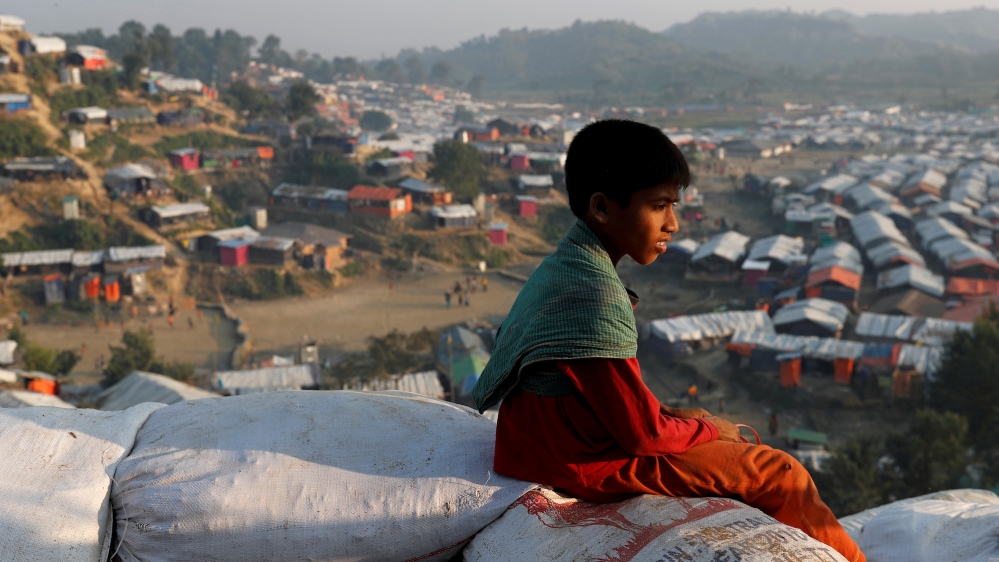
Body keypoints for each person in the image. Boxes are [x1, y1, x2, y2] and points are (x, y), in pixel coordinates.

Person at [471, 120, 864, 562]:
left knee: (700, 425)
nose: (672, 224)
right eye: (659, 206)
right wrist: (710, 428)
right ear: (602, 207)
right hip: (577, 460)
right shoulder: (596, 295)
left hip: (544, 440)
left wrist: (686, 420)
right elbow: (642, 436)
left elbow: (609, 395)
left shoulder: (564, 265)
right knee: (779, 472)